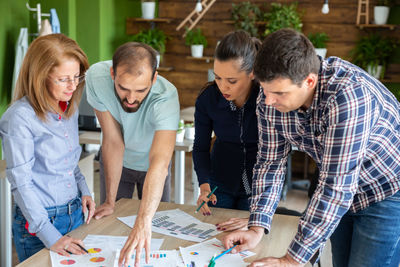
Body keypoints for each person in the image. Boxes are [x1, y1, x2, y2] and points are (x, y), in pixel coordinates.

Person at [223, 28, 400, 267]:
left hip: (388, 188)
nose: (267, 101)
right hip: (345, 187)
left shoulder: (348, 95)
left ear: (309, 81)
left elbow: (336, 188)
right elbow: (269, 163)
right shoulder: (270, 97)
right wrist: (257, 227)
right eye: (264, 89)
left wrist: (291, 260)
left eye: (278, 93)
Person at [0, 34, 95, 262]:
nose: (73, 86)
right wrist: (51, 236)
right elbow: (21, 183)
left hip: (75, 213)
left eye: (76, 76)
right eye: (63, 79)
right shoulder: (19, 118)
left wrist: (84, 191)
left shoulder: (68, 108)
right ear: (40, 77)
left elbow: (70, 163)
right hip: (41, 222)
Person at [85, 42, 179, 266]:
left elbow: (160, 162)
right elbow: (113, 140)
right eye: (123, 88)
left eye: (141, 90)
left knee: (151, 228)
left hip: (152, 168)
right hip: (119, 162)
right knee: (110, 225)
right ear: (112, 74)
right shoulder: (96, 78)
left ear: (154, 79)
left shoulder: (167, 97)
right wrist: (109, 200)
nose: (130, 98)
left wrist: (143, 219)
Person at [193, 30, 259, 231]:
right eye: (218, 77)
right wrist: (204, 186)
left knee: (249, 243)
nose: (223, 87)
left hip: (258, 187)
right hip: (218, 182)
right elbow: (200, 147)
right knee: (215, 238)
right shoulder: (208, 99)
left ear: (252, 73)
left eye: (232, 81)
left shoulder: (267, 98)